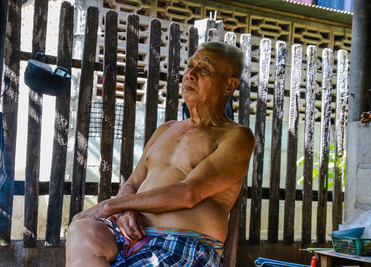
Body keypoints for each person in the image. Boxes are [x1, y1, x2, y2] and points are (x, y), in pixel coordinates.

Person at [66, 41, 255, 267]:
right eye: (190, 66)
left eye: (204, 68)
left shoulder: (236, 136)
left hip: (182, 244)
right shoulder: (166, 129)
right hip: (125, 236)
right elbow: (133, 182)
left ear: (228, 86)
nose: (190, 74)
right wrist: (126, 208)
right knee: (82, 229)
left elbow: (189, 193)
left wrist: (110, 206)